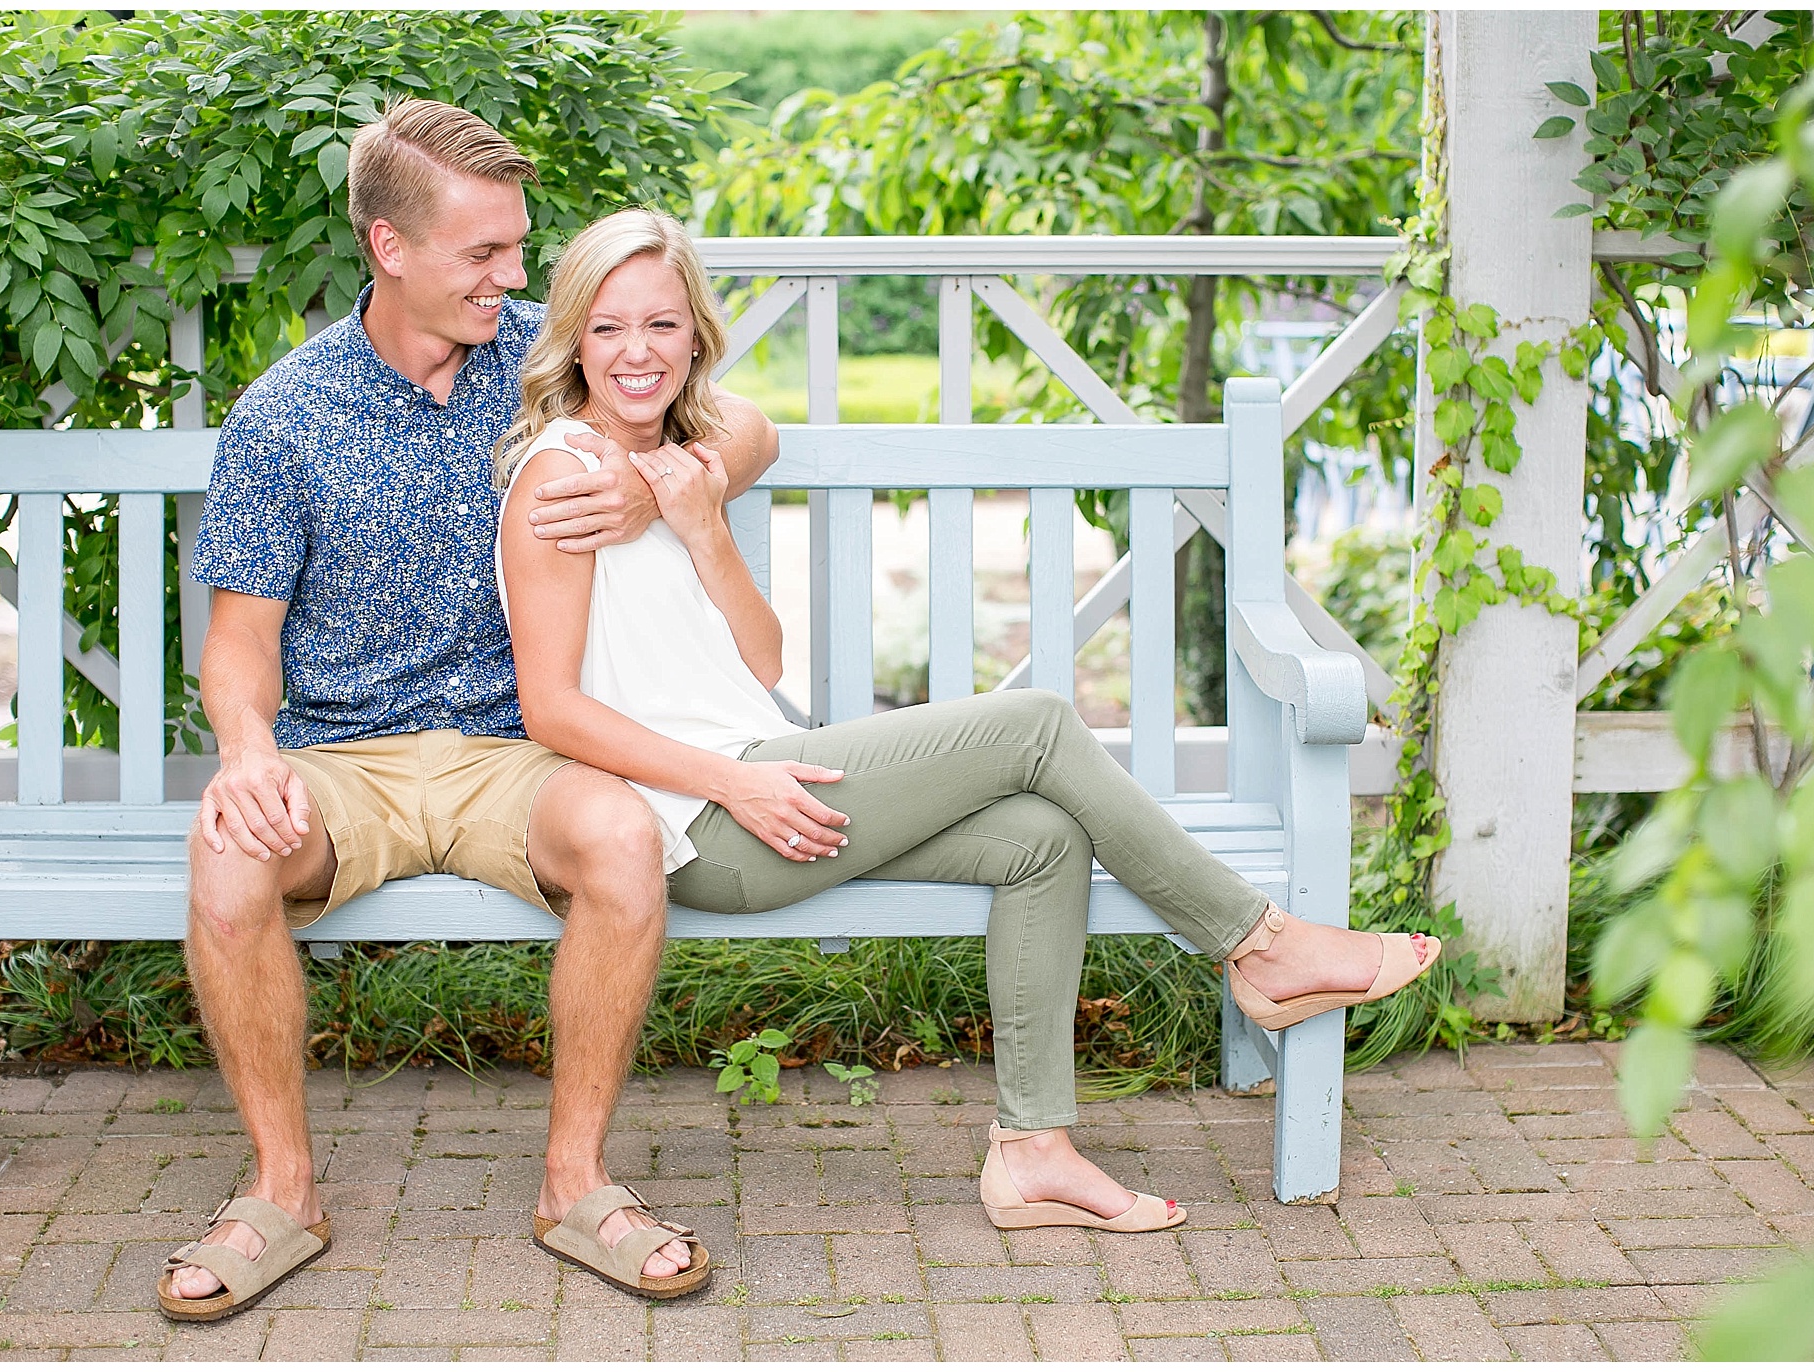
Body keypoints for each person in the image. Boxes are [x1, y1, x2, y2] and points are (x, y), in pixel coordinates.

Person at [495, 207, 1441, 1241]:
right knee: (1032, 722)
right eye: (609, 327)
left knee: (1041, 840)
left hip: (758, 773)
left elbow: (759, 659)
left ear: (696, 336)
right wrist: (731, 783)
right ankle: (1258, 942)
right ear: (574, 339)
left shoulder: (680, 465)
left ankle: (1033, 1152)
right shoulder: (560, 475)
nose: (638, 353)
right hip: (697, 814)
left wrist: (698, 518)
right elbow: (551, 708)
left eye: (663, 326)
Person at [159, 101, 768, 1320]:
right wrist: (245, 752)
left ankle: (575, 1184)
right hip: (349, 760)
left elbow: (740, 422)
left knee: (620, 839)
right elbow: (239, 640)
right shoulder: (286, 414)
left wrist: (658, 494)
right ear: (389, 248)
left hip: (520, 747)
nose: (513, 276)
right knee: (226, 856)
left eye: (518, 248)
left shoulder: (544, 356)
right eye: (483, 253)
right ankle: (282, 1193)